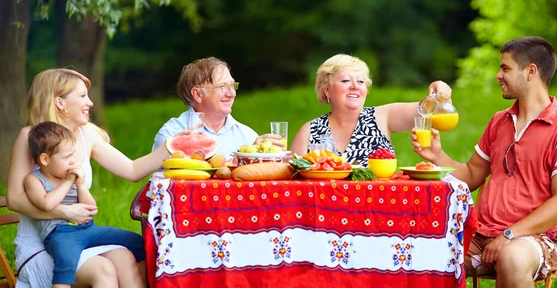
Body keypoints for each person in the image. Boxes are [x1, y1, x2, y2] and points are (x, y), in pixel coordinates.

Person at [411, 36, 557, 286]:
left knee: (512, 258)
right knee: (418, 252)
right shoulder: (499, 121)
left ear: (531, 71)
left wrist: (509, 234)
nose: (498, 75)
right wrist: (436, 156)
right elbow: (472, 175)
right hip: (481, 233)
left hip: (536, 238)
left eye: (505, 68)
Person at [7, 68, 171, 288]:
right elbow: (14, 200)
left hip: (80, 237)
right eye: (82, 96)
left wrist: (173, 146)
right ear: (60, 103)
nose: (90, 103)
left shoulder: (87, 134)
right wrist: (63, 211)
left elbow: (132, 170)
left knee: (126, 258)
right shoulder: (30, 137)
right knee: (104, 270)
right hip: (39, 245)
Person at [24, 122, 145, 288]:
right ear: (45, 159)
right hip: (60, 233)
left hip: (87, 229)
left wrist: (80, 185)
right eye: (66, 157)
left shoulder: (71, 178)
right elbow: (46, 203)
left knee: (135, 241)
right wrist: (68, 183)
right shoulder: (34, 180)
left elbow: (91, 208)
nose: (72, 161)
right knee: (66, 260)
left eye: (73, 155)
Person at [289, 53, 452, 167]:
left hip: (378, 210)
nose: (354, 86)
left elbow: (431, 111)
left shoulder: (383, 117)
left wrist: (440, 92)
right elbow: (290, 180)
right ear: (327, 90)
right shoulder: (310, 131)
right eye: (345, 80)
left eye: (361, 82)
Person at [152, 57, 283, 156]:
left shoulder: (248, 136)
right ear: (197, 94)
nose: (232, 94)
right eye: (222, 87)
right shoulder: (171, 134)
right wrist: (245, 158)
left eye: (232, 85)